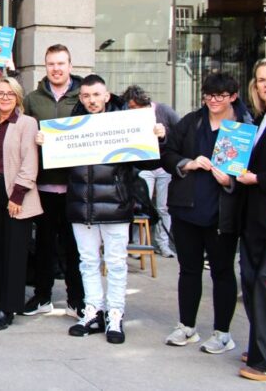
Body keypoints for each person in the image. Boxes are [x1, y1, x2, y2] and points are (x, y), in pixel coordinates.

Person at [44, 75, 163, 344]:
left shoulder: (124, 122)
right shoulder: (71, 124)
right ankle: (93, 311)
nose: (91, 101)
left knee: (116, 263)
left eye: (96, 95)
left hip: (115, 204)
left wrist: (157, 138)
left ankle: (116, 314)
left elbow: (147, 162)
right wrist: (46, 144)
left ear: (107, 95)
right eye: (86, 96)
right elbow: (57, 165)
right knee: (87, 262)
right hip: (81, 204)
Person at [161, 72, 252, 354]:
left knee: (222, 272)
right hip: (187, 209)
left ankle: (223, 333)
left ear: (233, 97)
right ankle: (186, 326)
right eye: (209, 95)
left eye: (221, 96)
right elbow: (167, 155)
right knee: (188, 270)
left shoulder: (245, 126)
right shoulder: (192, 121)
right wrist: (188, 163)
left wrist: (231, 181)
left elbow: (254, 169)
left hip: (222, 213)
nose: (213, 100)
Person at [21, 44, 85, 317]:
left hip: (75, 186)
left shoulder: (83, 97)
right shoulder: (33, 99)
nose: (56, 69)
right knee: (44, 246)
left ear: (70, 66)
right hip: (44, 185)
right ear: (45, 66)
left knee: (75, 247)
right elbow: (22, 132)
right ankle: (42, 296)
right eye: (51, 64)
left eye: (61, 63)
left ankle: (76, 300)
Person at [0, 76, 41, 331]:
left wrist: (17, 196)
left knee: (14, 255)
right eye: (0, 93)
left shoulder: (26, 123)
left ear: (17, 97)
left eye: (10, 93)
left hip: (16, 194)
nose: (4, 97)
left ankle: (9, 308)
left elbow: (30, 161)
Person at [236, 57, 266, 382]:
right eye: (262, 79)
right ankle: (260, 348)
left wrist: (258, 179)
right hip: (255, 218)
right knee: (251, 282)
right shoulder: (262, 118)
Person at [122, 85, 181, 257]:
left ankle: (163, 244)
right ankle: (138, 245)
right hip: (142, 166)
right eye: (130, 107)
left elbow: (179, 133)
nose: (132, 110)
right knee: (140, 206)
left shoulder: (164, 111)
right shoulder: (128, 117)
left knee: (164, 207)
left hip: (164, 166)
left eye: (134, 107)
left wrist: (164, 135)